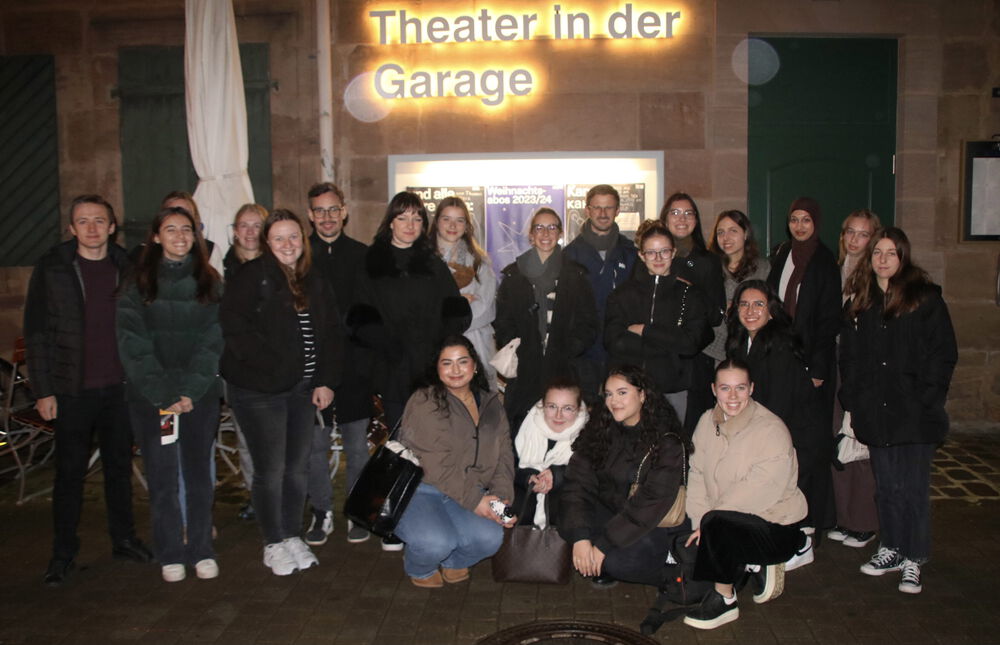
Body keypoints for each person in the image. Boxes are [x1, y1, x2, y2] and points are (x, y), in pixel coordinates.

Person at [24, 194, 153, 586]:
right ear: (71, 228)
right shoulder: (53, 267)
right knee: (69, 475)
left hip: (118, 388)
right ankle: (63, 553)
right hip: (71, 389)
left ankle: (124, 539)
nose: (92, 228)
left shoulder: (126, 267)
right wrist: (43, 391)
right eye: (83, 221)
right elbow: (36, 331)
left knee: (119, 469)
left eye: (99, 220)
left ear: (112, 227)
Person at [221, 209, 343, 576]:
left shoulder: (313, 279)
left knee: (296, 468)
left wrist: (324, 380)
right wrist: (277, 370)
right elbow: (235, 331)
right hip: (259, 391)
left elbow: (331, 333)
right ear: (266, 243)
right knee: (270, 469)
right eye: (278, 238)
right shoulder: (251, 277)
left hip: (301, 391)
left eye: (293, 237)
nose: (287, 244)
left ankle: (291, 534)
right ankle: (272, 541)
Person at [348, 191, 471, 551]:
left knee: (433, 446)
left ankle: (431, 517)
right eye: (403, 217)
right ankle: (392, 521)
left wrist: (442, 348)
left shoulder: (431, 262)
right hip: (392, 369)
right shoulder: (371, 262)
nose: (410, 225)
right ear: (390, 222)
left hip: (431, 372)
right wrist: (389, 347)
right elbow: (358, 317)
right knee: (398, 448)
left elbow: (455, 310)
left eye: (417, 218)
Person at [840, 227, 957, 594]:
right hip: (877, 411)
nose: (883, 259)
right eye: (878, 252)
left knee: (912, 489)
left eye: (891, 253)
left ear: (903, 257)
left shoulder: (925, 299)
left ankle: (914, 556)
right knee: (887, 486)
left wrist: (927, 398)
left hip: (914, 413)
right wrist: (854, 400)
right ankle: (891, 546)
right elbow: (850, 357)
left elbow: (943, 354)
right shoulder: (861, 302)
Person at [116, 206, 223, 582]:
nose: (180, 236)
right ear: (156, 236)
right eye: (171, 229)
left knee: (198, 476)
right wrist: (164, 394)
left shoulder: (210, 281)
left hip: (199, 395)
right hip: (152, 397)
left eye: (187, 229)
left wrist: (191, 390)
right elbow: (132, 344)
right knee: (162, 478)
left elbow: (213, 340)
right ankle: (170, 552)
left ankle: (201, 549)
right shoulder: (137, 283)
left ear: (196, 236)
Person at [682, 359, 808, 630]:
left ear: (751, 388)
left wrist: (709, 523)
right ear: (713, 389)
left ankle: (725, 599)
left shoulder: (771, 429)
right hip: (723, 520)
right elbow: (697, 473)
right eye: (725, 388)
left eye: (740, 388)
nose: (733, 396)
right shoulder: (706, 421)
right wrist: (698, 521)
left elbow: (760, 489)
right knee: (688, 547)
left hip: (773, 524)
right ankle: (751, 564)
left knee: (717, 527)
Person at [393, 336, 515, 588]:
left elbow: (504, 455)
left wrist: (501, 499)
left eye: (462, 361)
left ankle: (455, 561)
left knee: (490, 538)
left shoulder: (491, 403)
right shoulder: (425, 401)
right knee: (436, 542)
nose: (456, 370)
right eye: (447, 363)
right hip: (422, 488)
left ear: (475, 365)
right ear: (437, 369)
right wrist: (477, 501)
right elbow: (435, 465)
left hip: (469, 488)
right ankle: (420, 566)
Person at [725, 279, 830, 568]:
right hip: (774, 428)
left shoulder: (779, 344)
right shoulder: (742, 342)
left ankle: (798, 545)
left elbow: (778, 403)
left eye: (759, 304)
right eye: (744, 304)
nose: (750, 311)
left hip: (796, 433)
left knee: (781, 495)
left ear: (771, 310)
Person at [559, 366, 688, 590]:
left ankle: (675, 574)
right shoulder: (600, 428)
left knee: (618, 562)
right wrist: (580, 537)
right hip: (614, 513)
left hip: (652, 522)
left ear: (642, 395)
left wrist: (603, 545)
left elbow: (650, 503)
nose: (614, 401)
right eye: (609, 394)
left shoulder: (666, 441)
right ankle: (603, 561)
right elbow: (578, 483)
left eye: (622, 392)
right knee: (569, 521)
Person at [304, 182, 372, 545]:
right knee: (315, 446)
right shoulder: (300, 255)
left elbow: (370, 314)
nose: (327, 217)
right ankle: (321, 511)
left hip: (354, 368)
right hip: (313, 369)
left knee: (357, 446)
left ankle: (357, 512)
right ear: (310, 215)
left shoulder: (363, 256)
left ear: (344, 212)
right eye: (320, 210)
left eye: (333, 209)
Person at [494, 208, 598, 432]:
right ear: (531, 235)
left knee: (561, 433)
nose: (545, 233)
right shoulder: (514, 276)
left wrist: (570, 348)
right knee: (521, 430)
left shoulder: (576, 275)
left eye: (552, 227)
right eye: (539, 227)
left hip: (564, 369)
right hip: (525, 371)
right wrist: (519, 349)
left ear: (560, 233)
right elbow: (503, 321)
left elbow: (588, 322)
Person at [605, 221, 713, 425]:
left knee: (671, 441)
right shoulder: (622, 295)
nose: (658, 258)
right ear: (641, 255)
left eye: (664, 251)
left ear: (673, 253)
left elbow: (690, 344)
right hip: (630, 391)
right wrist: (670, 343)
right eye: (651, 252)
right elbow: (614, 342)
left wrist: (645, 331)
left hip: (673, 390)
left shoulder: (689, 295)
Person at [828, 209, 882, 548]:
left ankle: (864, 521)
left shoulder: (876, 278)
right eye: (850, 231)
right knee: (839, 440)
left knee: (860, 442)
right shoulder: (838, 271)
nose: (855, 239)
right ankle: (844, 517)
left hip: (862, 368)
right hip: (837, 363)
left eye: (863, 234)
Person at [657, 192, 725, 430]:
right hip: (660, 355)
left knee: (693, 429)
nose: (682, 218)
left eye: (688, 213)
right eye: (675, 212)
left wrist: (691, 289)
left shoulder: (708, 261)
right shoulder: (653, 256)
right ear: (665, 218)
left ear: (696, 220)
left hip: (695, 359)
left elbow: (716, 314)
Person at [564, 185, 638, 402]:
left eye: (609, 207)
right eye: (597, 207)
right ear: (587, 210)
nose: (603, 213)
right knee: (581, 411)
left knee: (620, 410)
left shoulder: (631, 254)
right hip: (583, 352)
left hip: (621, 349)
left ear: (618, 210)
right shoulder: (570, 255)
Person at [432, 196, 498, 390]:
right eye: (446, 219)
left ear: (467, 226)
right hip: (434, 346)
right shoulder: (423, 261)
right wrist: (461, 303)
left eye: (459, 220)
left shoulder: (479, 262)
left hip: (475, 344)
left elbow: (486, 308)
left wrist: (451, 314)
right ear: (437, 222)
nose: (452, 225)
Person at [512, 376, 589, 527]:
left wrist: (557, 475)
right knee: (503, 510)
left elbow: (591, 477)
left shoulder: (590, 435)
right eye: (552, 406)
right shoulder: (522, 426)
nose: (558, 415)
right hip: (520, 506)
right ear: (542, 406)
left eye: (567, 408)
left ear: (579, 410)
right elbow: (503, 469)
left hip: (564, 514)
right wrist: (527, 477)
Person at [704, 210, 770, 363]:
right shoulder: (708, 267)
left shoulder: (763, 268)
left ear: (745, 234)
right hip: (713, 346)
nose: (726, 237)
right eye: (720, 232)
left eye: (733, 231)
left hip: (751, 344)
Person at [223, 203, 266, 281]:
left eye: (257, 226)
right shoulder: (222, 271)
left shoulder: (276, 267)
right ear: (235, 231)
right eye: (244, 226)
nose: (250, 232)